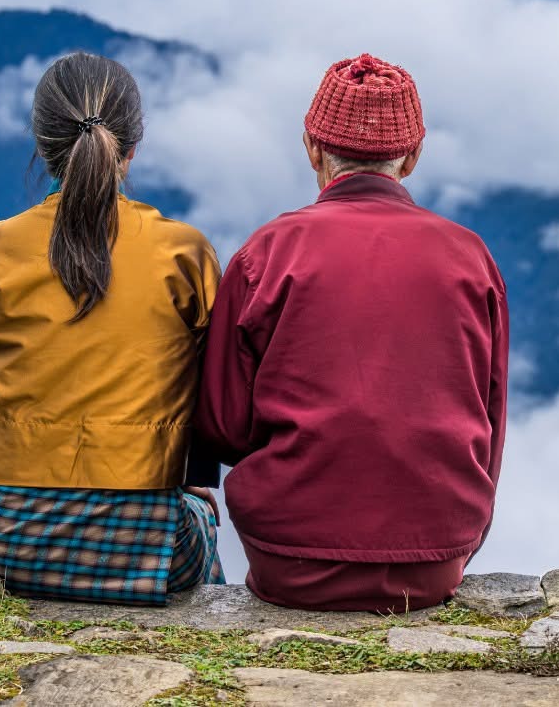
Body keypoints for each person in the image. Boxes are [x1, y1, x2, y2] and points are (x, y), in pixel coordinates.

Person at [194, 53, 508, 613]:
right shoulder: (470, 257)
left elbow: (222, 426)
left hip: (290, 559)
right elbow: (490, 416)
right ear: (412, 157)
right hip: (434, 560)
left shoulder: (269, 253)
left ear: (312, 147)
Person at [0, 51, 225, 604]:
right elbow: (212, 386)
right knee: (197, 523)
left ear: (43, 144)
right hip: (142, 539)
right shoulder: (182, 252)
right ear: (131, 148)